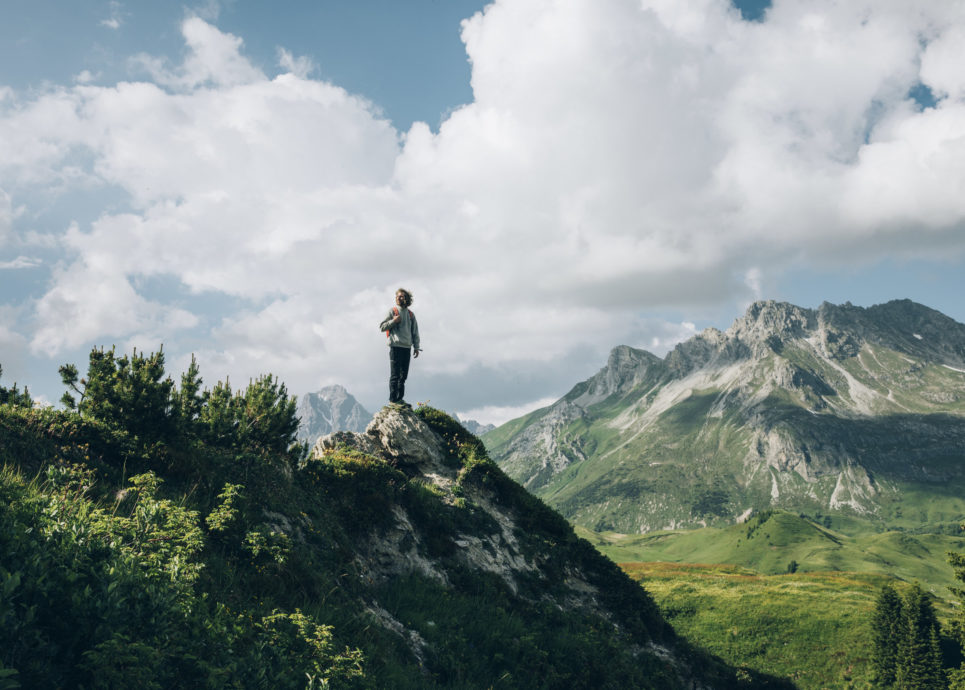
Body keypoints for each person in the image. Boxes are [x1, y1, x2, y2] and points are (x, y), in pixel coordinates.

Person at [379, 288, 421, 407]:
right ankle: (393, 400)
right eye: (397, 296)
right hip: (395, 347)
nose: (398, 298)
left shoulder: (410, 314)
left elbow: (415, 332)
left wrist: (416, 347)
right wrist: (393, 321)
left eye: (401, 296)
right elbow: (382, 327)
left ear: (407, 299)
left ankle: (399, 399)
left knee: (403, 376)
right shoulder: (392, 311)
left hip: (407, 348)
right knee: (395, 375)